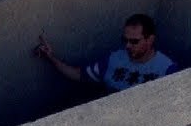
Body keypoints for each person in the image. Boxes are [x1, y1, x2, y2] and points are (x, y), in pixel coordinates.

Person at [35, 13, 179, 92]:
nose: (127, 45)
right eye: (125, 40)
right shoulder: (114, 59)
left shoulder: (167, 70)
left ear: (150, 39)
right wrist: (51, 57)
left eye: (134, 41)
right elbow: (79, 74)